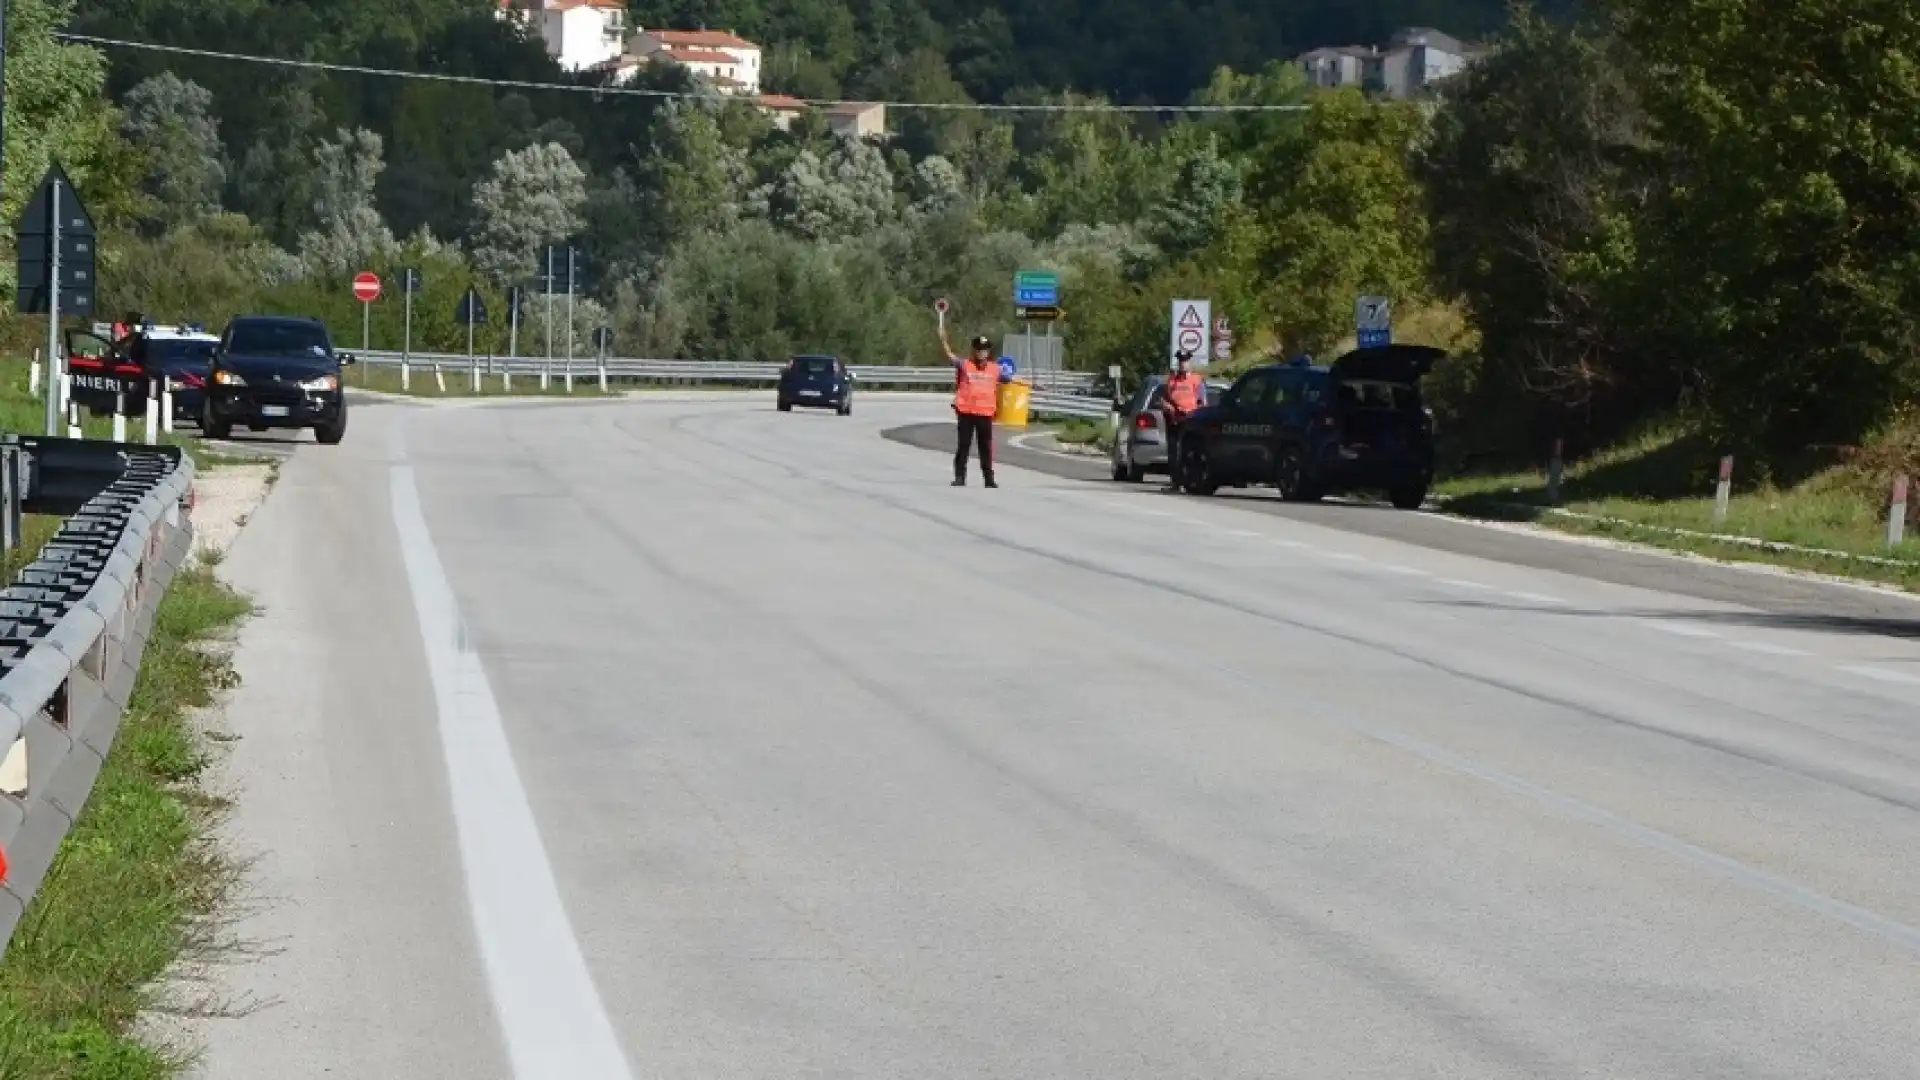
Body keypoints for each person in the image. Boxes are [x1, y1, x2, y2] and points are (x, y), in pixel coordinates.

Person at [939, 325, 1007, 487]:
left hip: (985, 413)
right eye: (978, 350)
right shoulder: (964, 365)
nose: (981, 353)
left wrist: (1034, 384)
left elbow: (1011, 379)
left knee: (986, 448)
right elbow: (951, 357)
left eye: (984, 350)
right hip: (966, 411)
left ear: (988, 352)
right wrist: (943, 341)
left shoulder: (995, 368)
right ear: (974, 351)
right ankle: (960, 477)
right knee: (964, 446)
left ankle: (989, 479)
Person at [1160, 349, 1208, 490]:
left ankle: (1191, 482)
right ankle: (1176, 483)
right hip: (1174, 421)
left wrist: (1197, 416)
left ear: (1190, 362)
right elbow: (1163, 399)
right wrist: (1167, 406)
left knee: (1189, 453)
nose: (1182, 364)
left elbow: (1202, 402)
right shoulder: (1171, 381)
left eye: (1185, 361)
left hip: (1190, 421)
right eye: (1180, 361)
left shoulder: (1196, 380)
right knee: (1174, 454)